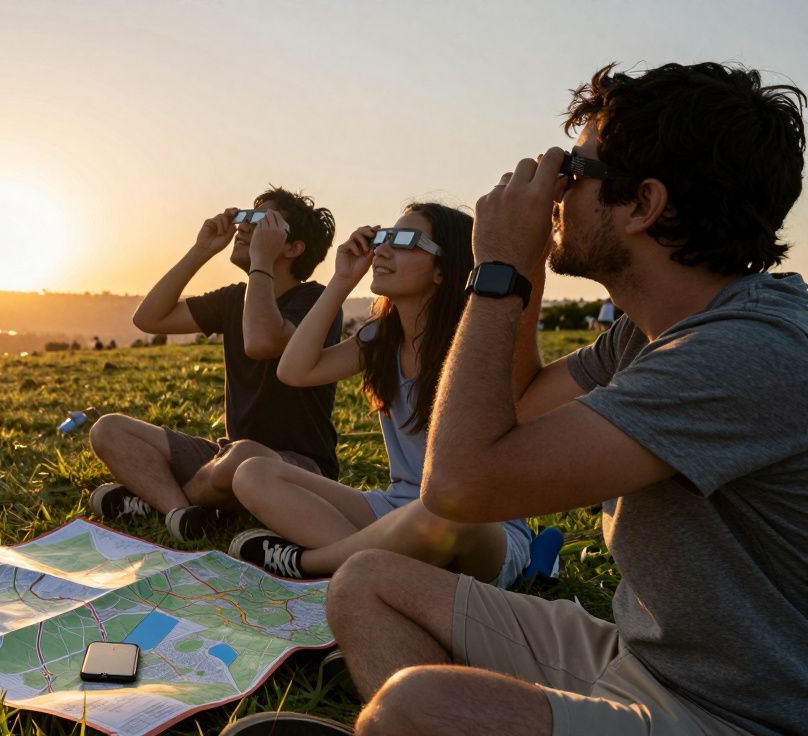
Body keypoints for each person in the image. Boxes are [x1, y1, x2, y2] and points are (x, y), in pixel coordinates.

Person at [317, 62, 807, 736]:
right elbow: (513, 405)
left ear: (643, 204)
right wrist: (524, 272)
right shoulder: (649, 331)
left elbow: (460, 487)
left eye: (574, 173)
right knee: (366, 580)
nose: (553, 191)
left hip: (735, 714)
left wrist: (496, 270)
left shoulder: (747, 351)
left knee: (415, 707)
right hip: (643, 658)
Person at [226, 204, 534, 587]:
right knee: (252, 471)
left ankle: (311, 563)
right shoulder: (380, 339)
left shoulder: (473, 345)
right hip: (393, 509)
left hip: (476, 523)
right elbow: (294, 370)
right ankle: (384, 568)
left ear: (443, 269)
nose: (383, 250)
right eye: (384, 237)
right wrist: (341, 281)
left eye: (405, 240)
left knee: (443, 512)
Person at [88, 187, 341, 541]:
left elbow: (262, 342)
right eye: (247, 218)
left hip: (299, 469)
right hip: (226, 455)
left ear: (293, 247)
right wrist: (201, 251)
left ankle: (156, 499)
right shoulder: (234, 299)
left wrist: (260, 263)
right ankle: (182, 512)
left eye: (261, 222)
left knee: (244, 458)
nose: (244, 228)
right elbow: (149, 319)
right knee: (109, 429)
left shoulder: (316, 300)